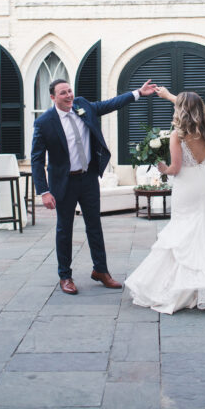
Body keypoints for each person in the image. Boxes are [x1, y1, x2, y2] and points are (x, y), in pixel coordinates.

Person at [125, 87, 205, 314]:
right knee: (201, 225)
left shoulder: (178, 135)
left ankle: (188, 285)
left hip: (186, 185)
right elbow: (193, 106)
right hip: (203, 182)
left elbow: (175, 169)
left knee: (182, 229)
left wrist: (161, 167)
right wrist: (169, 96)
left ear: (181, 110)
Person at [31, 78, 156, 295]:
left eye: (69, 91)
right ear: (53, 97)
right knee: (64, 229)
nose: (69, 95)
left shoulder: (82, 105)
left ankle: (101, 271)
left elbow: (109, 104)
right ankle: (65, 276)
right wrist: (44, 191)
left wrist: (138, 93)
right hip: (64, 182)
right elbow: (36, 158)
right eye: (63, 93)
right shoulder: (44, 122)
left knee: (94, 226)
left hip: (88, 178)